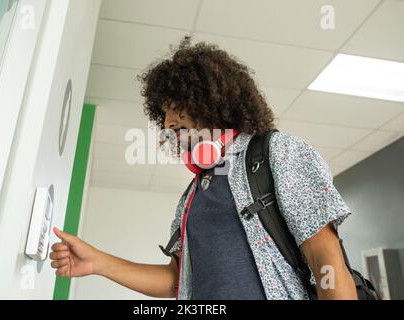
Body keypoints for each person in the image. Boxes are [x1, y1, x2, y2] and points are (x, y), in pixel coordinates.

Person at [50, 36, 357, 300]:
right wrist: (99, 263)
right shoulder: (192, 196)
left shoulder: (278, 152)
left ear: (213, 101)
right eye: (164, 114)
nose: (168, 122)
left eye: (176, 108)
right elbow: (177, 279)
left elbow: (326, 260)